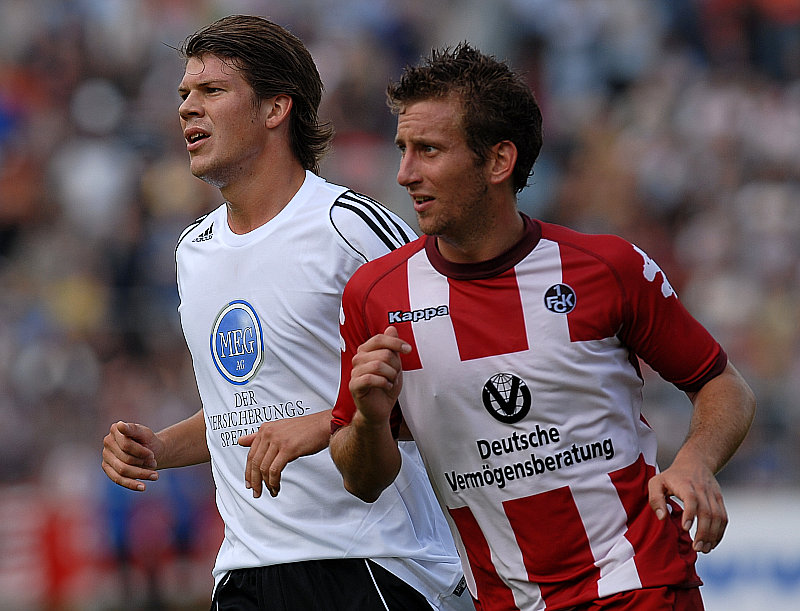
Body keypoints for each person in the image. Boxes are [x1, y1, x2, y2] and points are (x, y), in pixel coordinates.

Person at [330, 43, 756, 611]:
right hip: (503, 600)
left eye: (429, 150)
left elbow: (721, 384)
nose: (405, 174)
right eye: (403, 150)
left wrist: (695, 461)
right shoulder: (375, 296)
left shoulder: (606, 268)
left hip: (637, 583)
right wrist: (369, 418)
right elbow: (361, 479)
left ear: (498, 161)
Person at [101, 15, 471, 611]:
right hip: (245, 571)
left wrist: (325, 425)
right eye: (185, 93)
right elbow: (246, 411)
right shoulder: (193, 251)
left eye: (212, 91)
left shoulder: (350, 228)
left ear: (276, 108)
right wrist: (158, 449)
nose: (187, 108)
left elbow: (451, 375)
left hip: (369, 562)